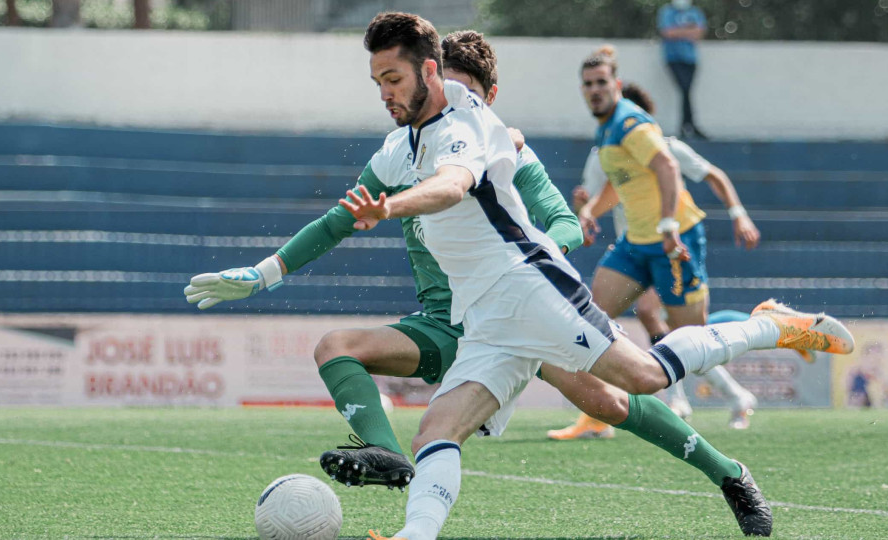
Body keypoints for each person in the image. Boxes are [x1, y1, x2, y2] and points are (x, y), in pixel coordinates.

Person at [188, 14, 852, 539]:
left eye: (391, 79)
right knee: (436, 432)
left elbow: (453, 189)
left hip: (530, 288)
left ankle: (775, 325)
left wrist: (388, 208)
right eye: (377, 82)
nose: (383, 93)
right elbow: (340, 218)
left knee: (641, 380)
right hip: (483, 315)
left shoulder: (472, 126)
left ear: (431, 72)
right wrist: (264, 272)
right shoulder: (397, 147)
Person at [550, 80, 761, 437]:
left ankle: (728, 383)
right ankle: (613, 408)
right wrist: (584, 210)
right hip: (631, 245)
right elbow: (601, 197)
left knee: (687, 332)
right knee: (601, 317)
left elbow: (712, 174)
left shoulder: (664, 147)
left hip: (669, 242)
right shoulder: (603, 148)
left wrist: (738, 213)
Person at [657, 0, 707, 139]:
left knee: (687, 91)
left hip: (690, 59)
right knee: (684, 89)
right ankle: (687, 125)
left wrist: (679, 31)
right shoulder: (667, 11)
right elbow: (667, 32)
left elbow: (699, 33)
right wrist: (688, 30)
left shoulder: (695, 12)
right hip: (673, 58)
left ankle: (687, 125)